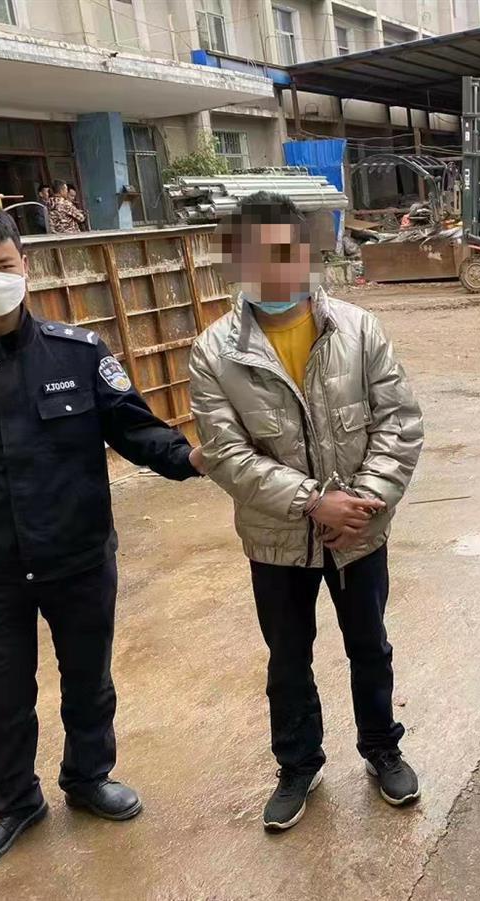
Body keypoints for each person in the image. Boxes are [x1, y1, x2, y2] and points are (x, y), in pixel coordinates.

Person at [0, 203, 206, 872]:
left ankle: (87, 777)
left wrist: (192, 457)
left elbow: (135, 428)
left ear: (25, 265)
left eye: (4, 264)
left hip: (77, 556)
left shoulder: (78, 353)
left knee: (88, 679)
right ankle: (14, 802)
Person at [189, 192, 424, 831]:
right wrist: (313, 502)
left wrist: (362, 504)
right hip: (276, 539)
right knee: (288, 658)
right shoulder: (214, 352)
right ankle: (297, 765)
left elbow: (398, 424)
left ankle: (382, 749)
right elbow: (226, 452)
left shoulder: (359, 330)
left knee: (369, 646)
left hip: (359, 533)